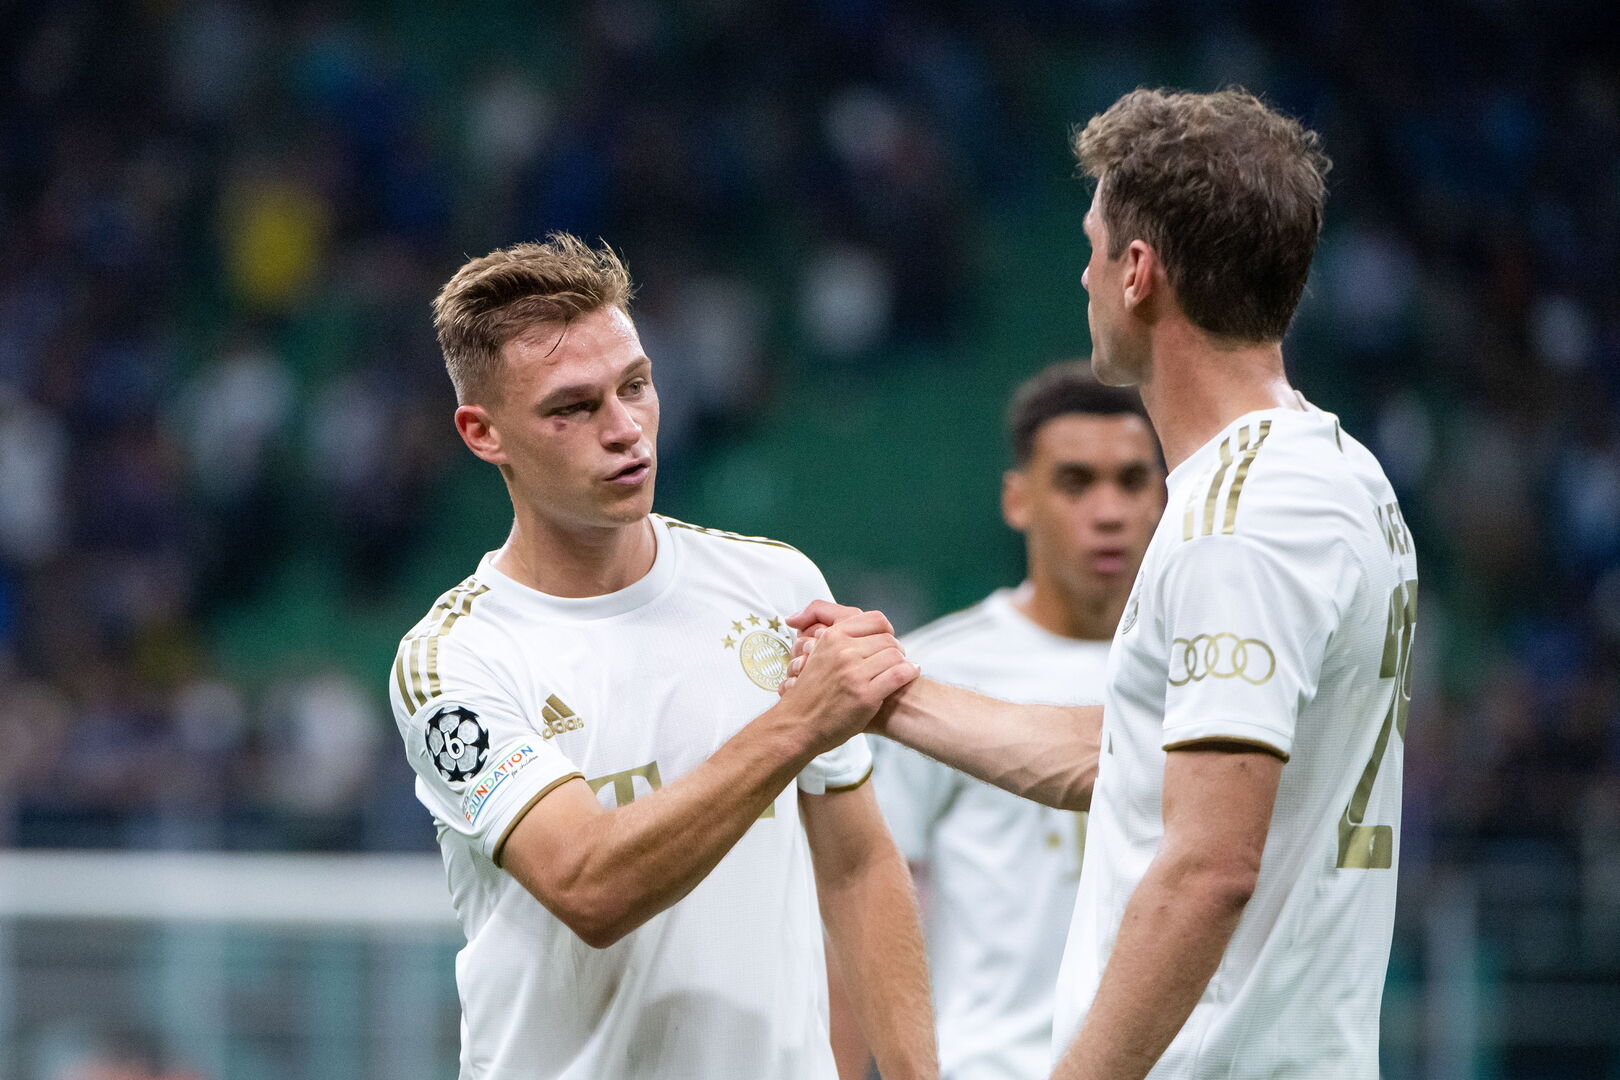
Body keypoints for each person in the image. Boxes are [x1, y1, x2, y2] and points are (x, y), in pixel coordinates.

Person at [788, 88, 1418, 1080]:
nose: (1081, 275)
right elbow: (1139, 756)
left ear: (1137, 271)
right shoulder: (1339, 473)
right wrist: (890, 697)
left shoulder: (1238, 522)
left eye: (1091, 248)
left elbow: (1208, 868)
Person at [390, 234, 936, 1080]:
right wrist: (797, 725)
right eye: (572, 408)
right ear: (483, 432)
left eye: (636, 386)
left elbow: (858, 865)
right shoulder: (453, 662)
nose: (625, 431)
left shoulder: (775, 585)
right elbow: (588, 886)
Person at [848, 364, 1164, 1080]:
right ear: (1018, 499)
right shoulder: (928, 678)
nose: (1109, 511)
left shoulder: (1209, 676)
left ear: (1163, 497)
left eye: (1131, 481)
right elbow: (863, 896)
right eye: (1076, 483)